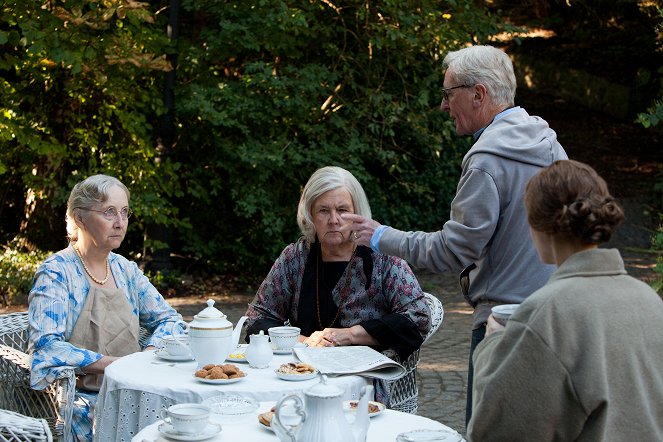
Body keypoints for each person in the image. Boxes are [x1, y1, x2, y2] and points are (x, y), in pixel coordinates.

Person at [342, 44, 568, 424]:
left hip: (502, 325)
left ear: (477, 94)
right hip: (554, 319)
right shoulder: (550, 146)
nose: (444, 106)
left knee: (486, 431)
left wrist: (381, 236)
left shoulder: (487, 160)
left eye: (448, 94)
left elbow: (455, 250)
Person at [467, 159, 663, 440]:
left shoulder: (546, 312)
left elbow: (494, 431)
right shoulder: (649, 300)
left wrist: (493, 346)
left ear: (536, 225)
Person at [245, 166, 431, 405]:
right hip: (298, 376)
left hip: (361, 382)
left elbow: (418, 317)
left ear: (357, 213)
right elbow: (256, 319)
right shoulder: (296, 257)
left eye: (342, 210)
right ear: (310, 214)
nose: (333, 220)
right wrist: (305, 342)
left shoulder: (382, 257)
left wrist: (350, 335)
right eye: (323, 210)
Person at [28, 174, 184, 442]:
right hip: (81, 398)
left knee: (187, 418)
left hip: (134, 387)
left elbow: (170, 320)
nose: (120, 222)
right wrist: (114, 366)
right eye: (109, 212)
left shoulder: (126, 270)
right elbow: (46, 346)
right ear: (79, 218)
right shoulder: (56, 273)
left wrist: (146, 355)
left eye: (124, 212)